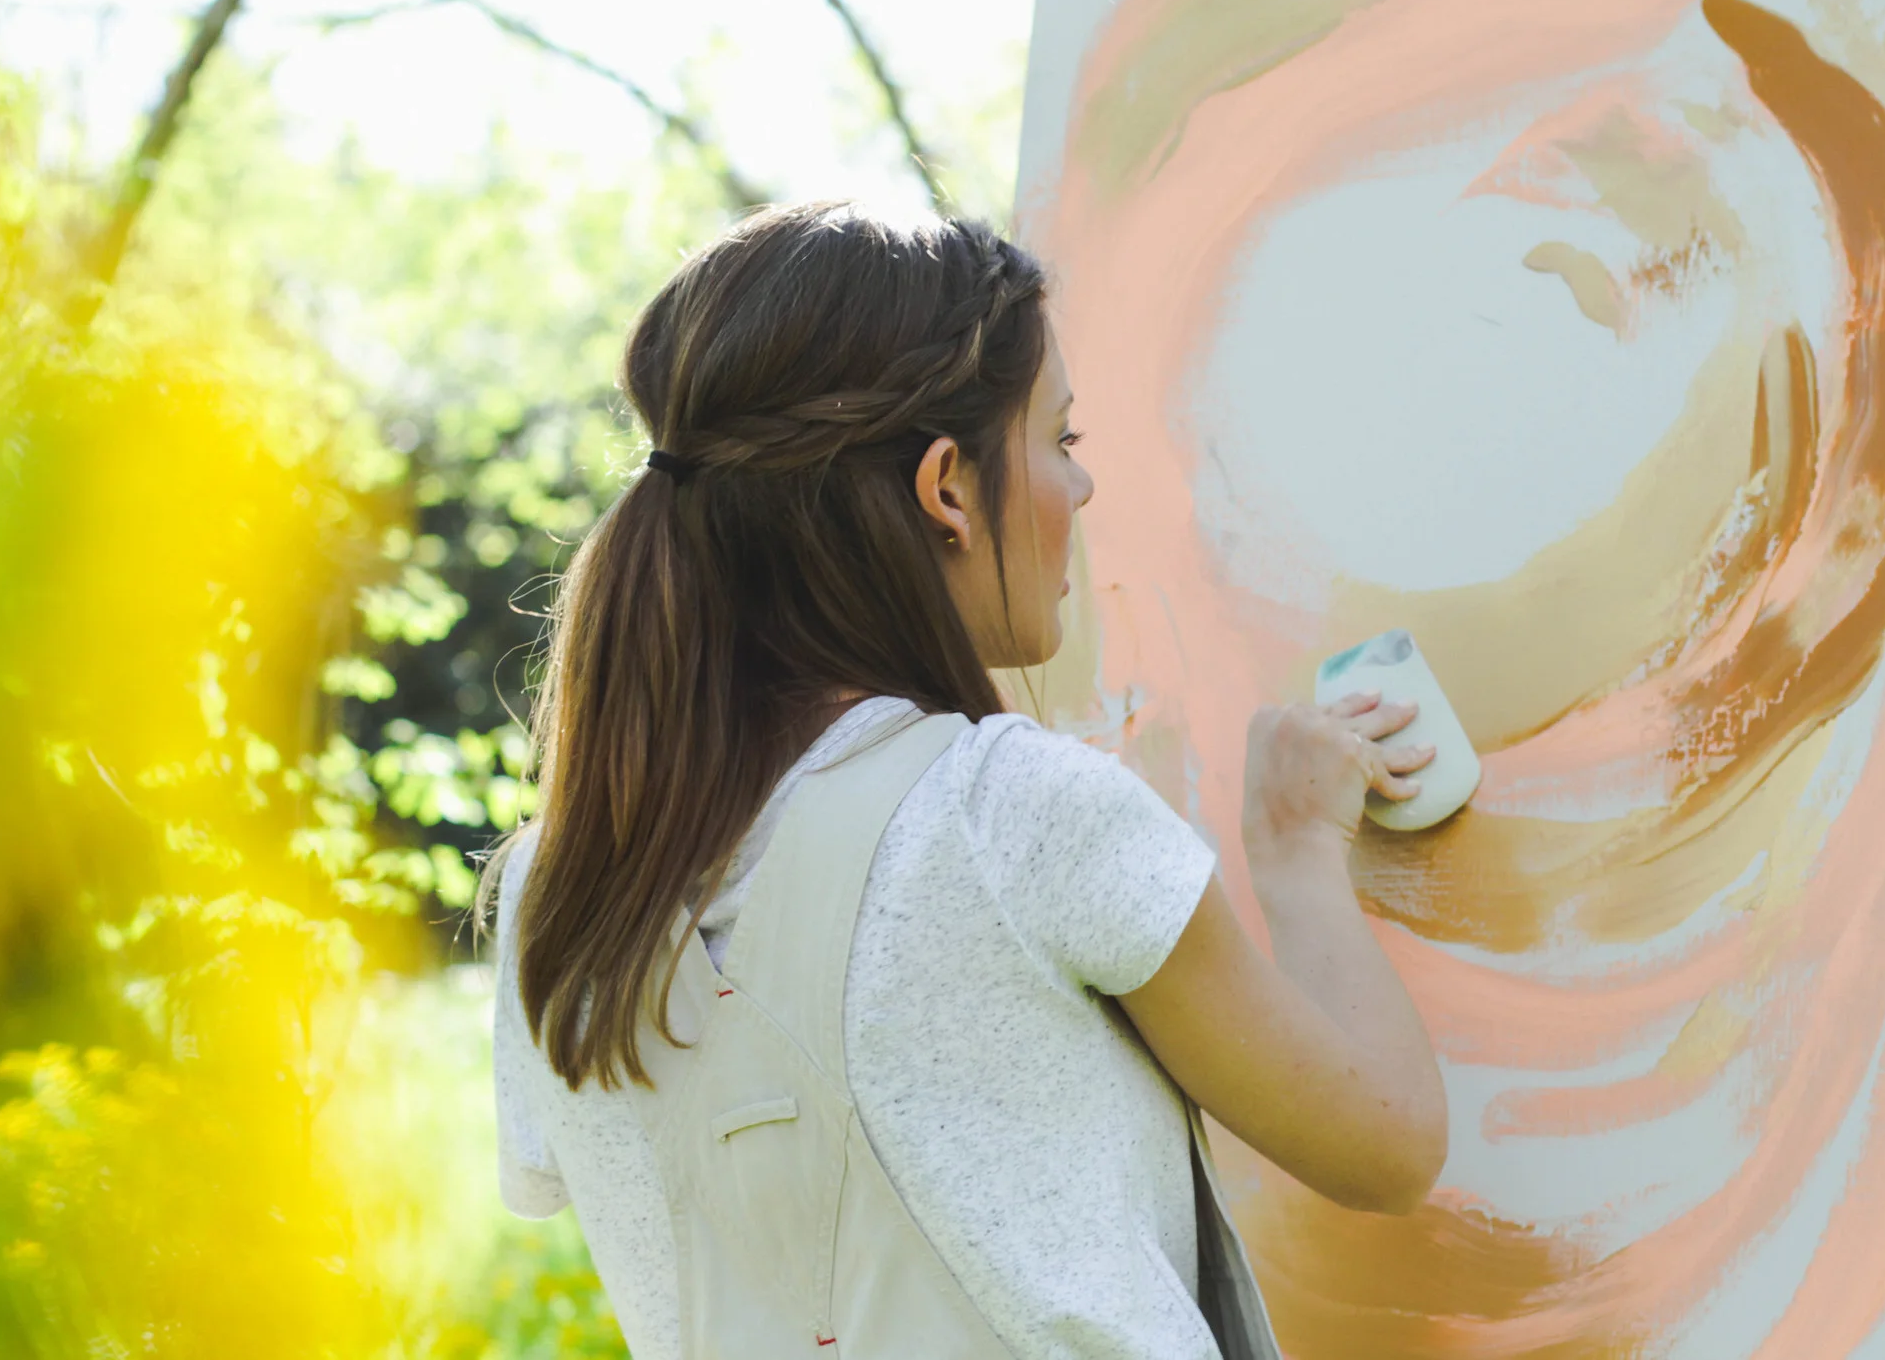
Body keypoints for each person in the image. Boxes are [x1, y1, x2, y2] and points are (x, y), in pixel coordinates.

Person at [487, 201, 1448, 1359]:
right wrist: (1295, 850)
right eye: (1060, 438)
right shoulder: (1011, 810)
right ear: (946, 486)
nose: (1079, 489)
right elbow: (1385, 1142)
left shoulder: (556, 886)